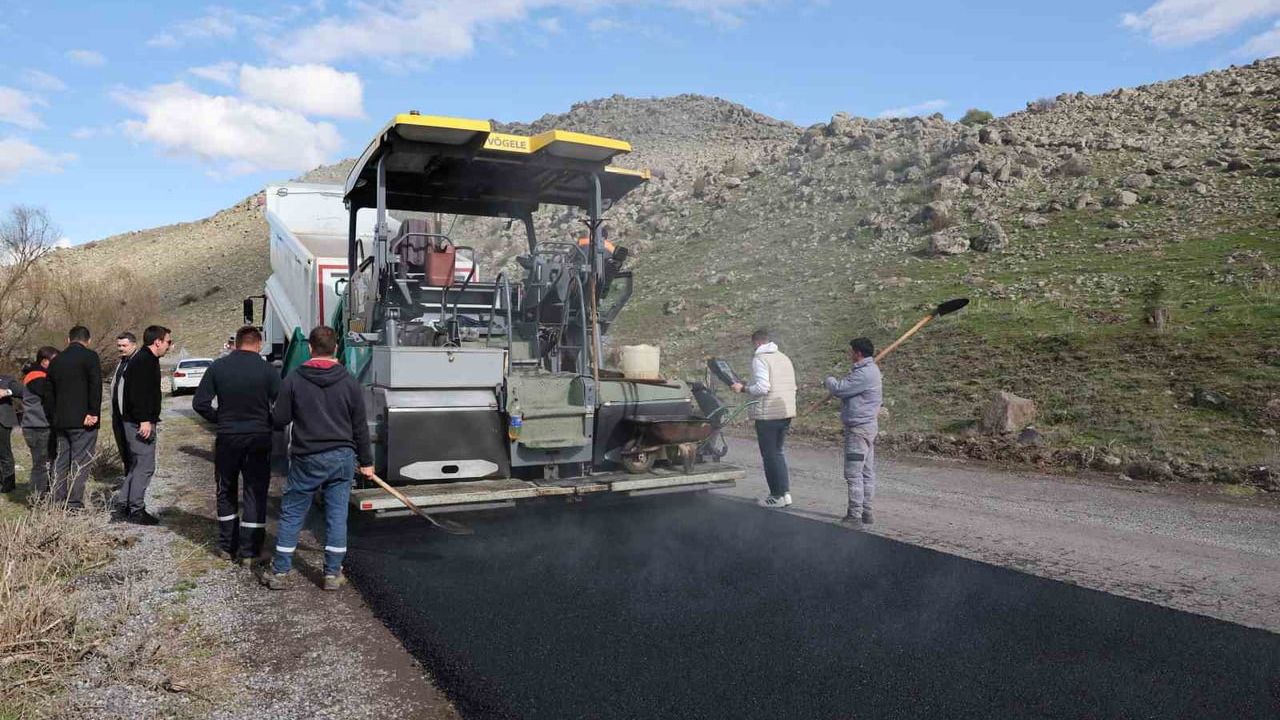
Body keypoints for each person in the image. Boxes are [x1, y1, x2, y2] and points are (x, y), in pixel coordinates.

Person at [261, 326, 373, 591]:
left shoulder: (294, 379)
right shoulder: (349, 381)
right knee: (336, 516)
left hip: (306, 458)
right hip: (341, 459)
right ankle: (333, 574)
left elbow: (280, 420)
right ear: (335, 348)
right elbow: (360, 427)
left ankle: (280, 573)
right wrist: (367, 462)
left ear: (310, 348)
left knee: (291, 515)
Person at [193, 326, 280, 563]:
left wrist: (220, 420)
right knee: (255, 491)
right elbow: (281, 406)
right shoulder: (267, 370)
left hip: (228, 439)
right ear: (258, 344)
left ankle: (226, 547)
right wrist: (270, 423)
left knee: (225, 491)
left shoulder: (218, 367)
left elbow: (200, 403)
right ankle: (250, 551)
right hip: (258, 439)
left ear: (237, 343)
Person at [731, 328, 797, 508]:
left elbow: (763, 387)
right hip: (785, 412)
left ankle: (775, 496)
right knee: (778, 452)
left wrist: (743, 388)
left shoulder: (760, 359)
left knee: (769, 455)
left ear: (757, 343)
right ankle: (785, 493)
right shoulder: (783, 357)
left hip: (768, 414)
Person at [824, 337, 883, 529]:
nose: (850, 354)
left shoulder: (864, 374)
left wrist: (829, 380)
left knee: (854, 473)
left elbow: (840, 389)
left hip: (858, 431)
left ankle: (855, 515)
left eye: (851, 351)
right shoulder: (868, 370)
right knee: (866, 472)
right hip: (867, 427)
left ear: (858, 353)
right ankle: (866, 511)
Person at [115, 325, 171, 524]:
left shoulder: (146, 359)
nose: (169, 346)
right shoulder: (144, 361)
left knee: (137, 465)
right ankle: (136, 509)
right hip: (139, 423)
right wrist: (144, 420)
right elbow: (136, 394)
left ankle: (124, 504)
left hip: (136, 421)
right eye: (168, 342)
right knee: (146, 465)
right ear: (157, 342)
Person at [48, 325, 102, 511]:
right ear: (88, 340)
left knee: (61, 461)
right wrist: (93, 413)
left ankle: (57, 501)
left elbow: (50, 393)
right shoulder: (90, 356)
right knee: (81, 462)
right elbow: (96, 386)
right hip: (84, 421)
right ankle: (73, 504)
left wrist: (54, 417)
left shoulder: (56, 361)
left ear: (68, 339)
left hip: (61, 421)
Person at [20, 347, 59, 501]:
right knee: (41, 465)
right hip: (37, 427)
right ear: (44, 361)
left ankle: (43, 495)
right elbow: (50, 397)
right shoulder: (37, 377)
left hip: (38, 426)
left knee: (45, 462)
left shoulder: (39, 375)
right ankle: (37, 499)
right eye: (54, 361)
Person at [110, 332, 138, 485]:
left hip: (130, 417)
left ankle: (134, 485)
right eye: (119, 346)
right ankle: (128, 481)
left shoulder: (137, 362)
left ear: (134, 345)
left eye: (124, 345)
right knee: (124, 452)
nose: (121, 348)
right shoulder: (121, 362)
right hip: (118, 416)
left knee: (134, 452)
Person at [0, 369, 22, 494]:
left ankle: (8, 483)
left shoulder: (6, 380)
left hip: (2, 421)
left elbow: (23, 391)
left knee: (4, 452)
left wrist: (6, 392)